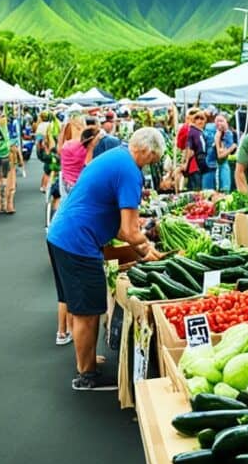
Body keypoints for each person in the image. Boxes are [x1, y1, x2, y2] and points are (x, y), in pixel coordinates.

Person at [47, 128, 165, 391]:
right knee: (87, 312)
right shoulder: (130, 171)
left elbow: (123, 229)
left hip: (63, 235)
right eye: (154, 159)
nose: (153, 165)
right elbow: (131, 231)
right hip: (78, 242)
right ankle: (86, 376)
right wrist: (147, 250)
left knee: (82, 309)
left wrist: (139, 244)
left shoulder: (116, 156)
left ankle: (85, 361)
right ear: (146, 151)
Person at [204, 114, 238, 192]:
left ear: (227, 122)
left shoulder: (228, 134)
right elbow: (220, 155)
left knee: (224, 191)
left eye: (221, 121)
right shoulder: (217, 134)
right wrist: (232, 147)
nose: (219, 123)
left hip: (223, 167)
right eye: (217, 121)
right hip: (216, 167)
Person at [185, 111, 207, 191]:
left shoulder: (200, 132)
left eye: (202, 118)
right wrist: (186, 164)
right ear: (194, 121)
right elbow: (189, 149)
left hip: (201, 165)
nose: (200, 121)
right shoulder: (192, 132)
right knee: (195, 191)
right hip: (194, 166)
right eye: (197, 118)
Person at [35, 111, 54, 192]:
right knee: (48, 169)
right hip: (47, 149)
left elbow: (38, 141)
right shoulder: (49, 125)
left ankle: (43, 185)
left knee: (47, 169)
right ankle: (45, 186)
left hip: (41, 150)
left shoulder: (39, 126)